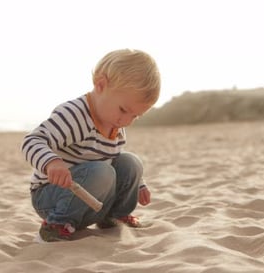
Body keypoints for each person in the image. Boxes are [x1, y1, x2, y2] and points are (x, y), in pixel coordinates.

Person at [20, 48, 161, 242]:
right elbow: (32, 140)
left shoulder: (115, 123)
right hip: (54, 197)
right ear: (101, 85)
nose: (126, 121)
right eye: (123, 110)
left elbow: (115, 157)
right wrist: (51, 162)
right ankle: (56, 225)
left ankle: (114, 217)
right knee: (102, 171)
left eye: (135, 116)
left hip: (94, 201)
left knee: (130, 162)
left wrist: (138, 184)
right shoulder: (74, 114)